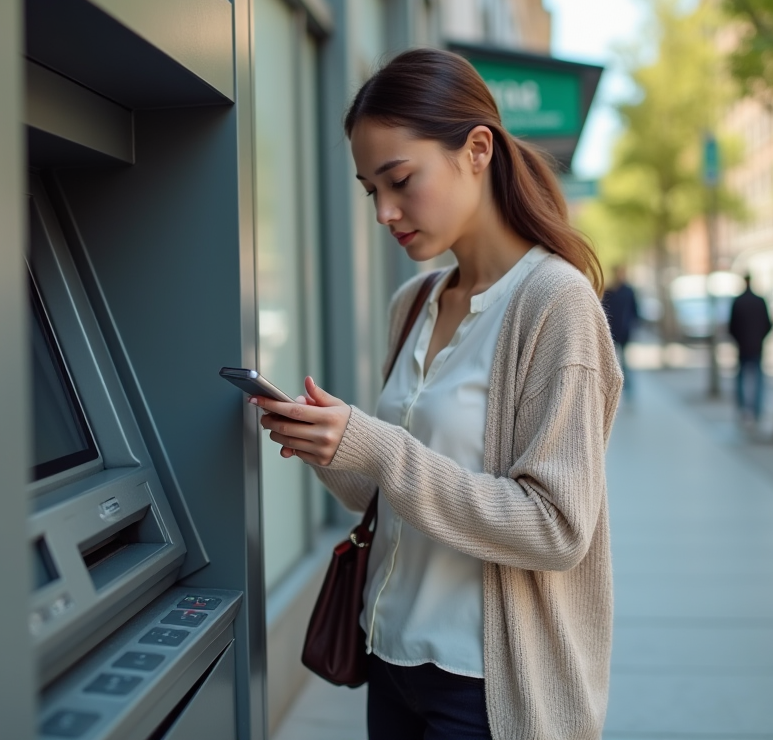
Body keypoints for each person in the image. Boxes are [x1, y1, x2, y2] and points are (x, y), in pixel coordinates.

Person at [250, 48, 620, 740]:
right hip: (389, 660)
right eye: (370, 191)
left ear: (477, 149)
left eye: (400, 179)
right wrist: (328, 446)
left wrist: (382, 447)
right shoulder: (413, 302)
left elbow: (557, 529)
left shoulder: (554, 303)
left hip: (486, 687)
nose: (385, 212)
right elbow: (388, 497)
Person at [727, 274, 772, 426]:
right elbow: (769, 324)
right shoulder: (759, 301)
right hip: (757, 346)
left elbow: (731, 327)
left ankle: (742, 409)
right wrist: (760, 338)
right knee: (758, 379)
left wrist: (739, 340)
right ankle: (757, 411)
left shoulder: (738, 301)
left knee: (741, 378)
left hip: (743, 346)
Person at [601, 266, 639, 390]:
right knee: (610, 364)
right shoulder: (610, 291)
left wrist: (631, 325)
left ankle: (628, 392)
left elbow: (635, 311)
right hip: (611, 332)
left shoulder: (628, 291)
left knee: (625, 365)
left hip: (624, 332)